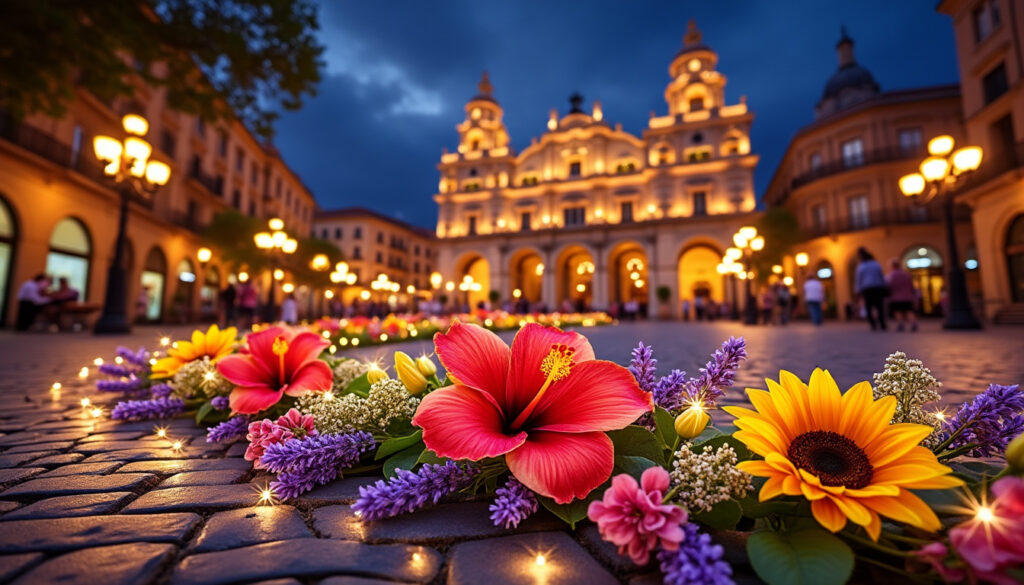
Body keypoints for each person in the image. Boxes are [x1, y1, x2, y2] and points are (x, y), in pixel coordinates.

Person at [854, 247, 888, 331]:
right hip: (878, 287)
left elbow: (858, 278)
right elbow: (881, 275)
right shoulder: (876, 264)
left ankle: (873, 325)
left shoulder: (861, 266)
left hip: (867, 288)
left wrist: (857, 290)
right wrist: (884, 285)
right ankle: (882, 324)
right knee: (879, 306)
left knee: (869, 307)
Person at [886, 259, 918, 332]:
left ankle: (900, 324)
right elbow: (911, 285)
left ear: (892, 266)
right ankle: (913, 323)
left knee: (898, 311)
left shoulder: (892, 275)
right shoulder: (906, 274)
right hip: (907, 296)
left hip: (896, 297)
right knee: (909, 310)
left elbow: (889, 285)